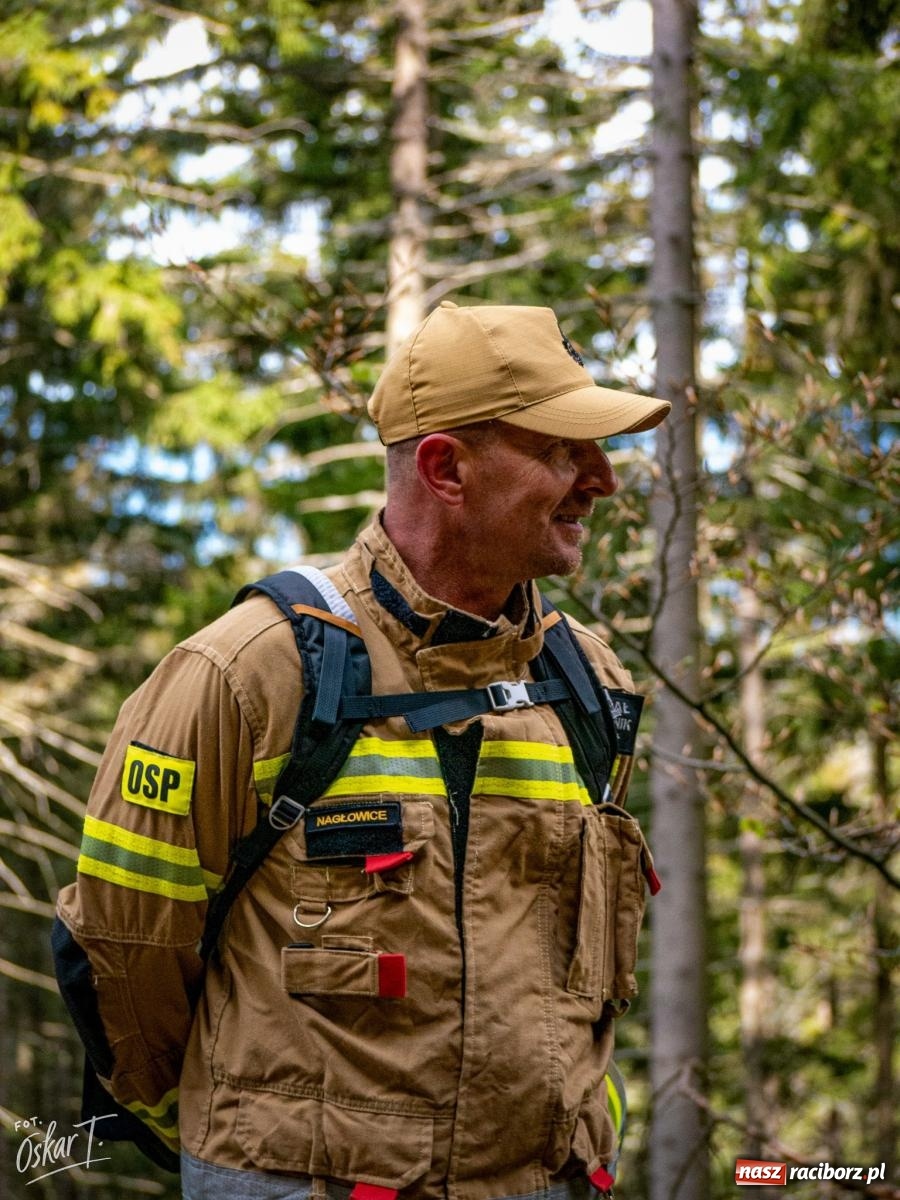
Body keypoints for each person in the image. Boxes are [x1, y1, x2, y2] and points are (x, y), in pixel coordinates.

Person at [55, 300, 670, 1200]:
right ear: (445, 468)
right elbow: (126, 950)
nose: (602, 481)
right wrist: (231, 1147)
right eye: (559, 451)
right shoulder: (246, 672)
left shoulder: (588, 684)